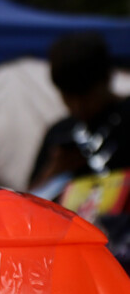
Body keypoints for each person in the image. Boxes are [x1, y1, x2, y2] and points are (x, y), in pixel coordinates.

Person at [31, 32, 130, 191]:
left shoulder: (126, 117)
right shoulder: (59, 133)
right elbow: (26, 201)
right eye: (68, 97)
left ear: (106, 79)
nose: (77, 106)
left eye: (85, 96)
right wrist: (53, 171)